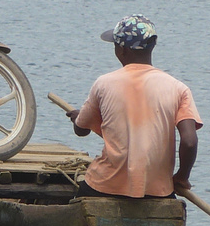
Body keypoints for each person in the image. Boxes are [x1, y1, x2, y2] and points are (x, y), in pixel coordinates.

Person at [67, 15, 202, 198]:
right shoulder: (179, 88)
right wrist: (181, 177)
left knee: (80, 192)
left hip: (105, 187)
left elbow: (80, 131)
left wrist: (78, 117)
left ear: (121, 50)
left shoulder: (104, 84)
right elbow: (189, 141)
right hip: (157, 190)